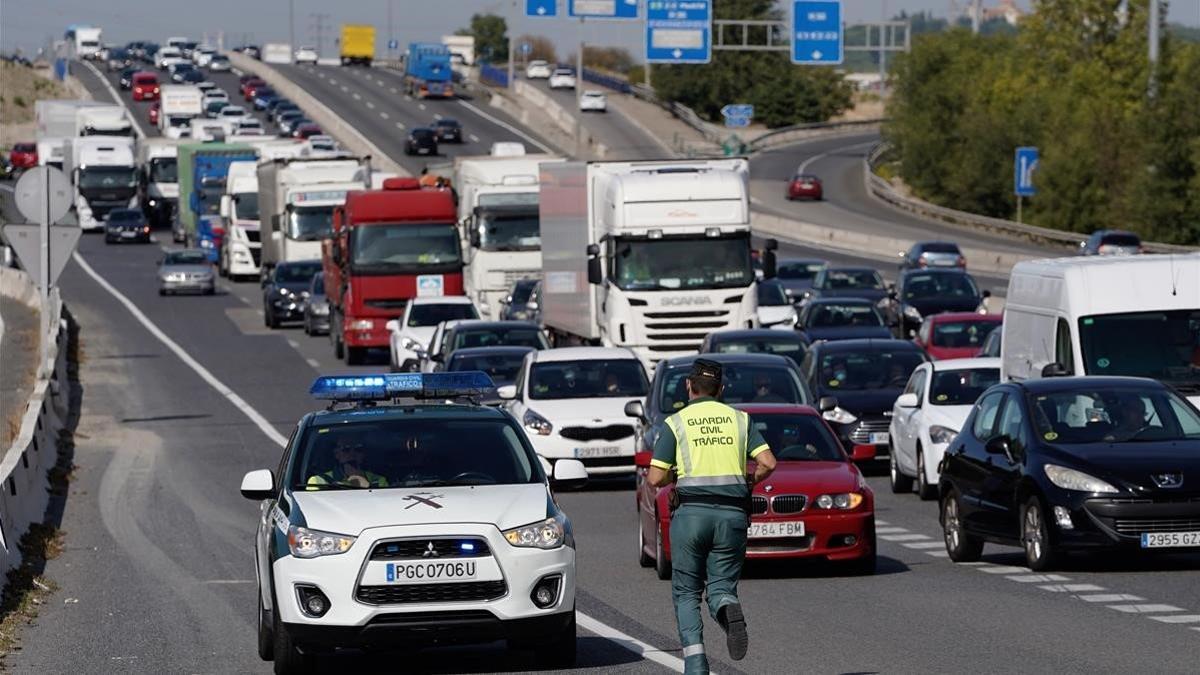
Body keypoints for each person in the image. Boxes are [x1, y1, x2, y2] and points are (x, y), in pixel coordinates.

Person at [647, 359, 777, 675]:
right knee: (721, 589)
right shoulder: (740, 420)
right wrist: (747, 481)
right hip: (732, 517)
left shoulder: (677, 422)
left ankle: (696, 665)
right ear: (721, 389)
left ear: (688, 387)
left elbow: (654, 477)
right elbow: (769, 463)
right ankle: (726, 607)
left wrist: (672, 477)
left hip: (691, 516)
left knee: (687, 592)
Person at [307, 435, 389, 489]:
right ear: (337, 454)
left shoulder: (378, 481)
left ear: (363, 454)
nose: (352, 454)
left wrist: (365, 483)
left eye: (358, 449)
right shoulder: (318, 481)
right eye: (346, 449)